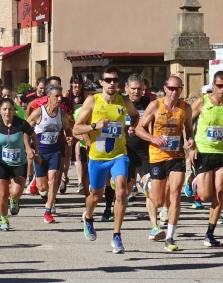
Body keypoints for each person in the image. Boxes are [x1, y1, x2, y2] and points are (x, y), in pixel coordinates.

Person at [73, 65, 140, 254]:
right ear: (101, 82)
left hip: (119, 154)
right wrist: (95, 125)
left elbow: (135, 116)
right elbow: (76, 129)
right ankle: (88, 217)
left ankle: (116, 236)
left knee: (121, 191)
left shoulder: (124, 101)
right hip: (97, 156)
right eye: (108, 80)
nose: (112, 83)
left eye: (115, 80)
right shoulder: (92, 101)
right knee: (96, 195)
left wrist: (132, 127)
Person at [136, 75, 194, 251]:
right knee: (158, 200)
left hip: (176, 156)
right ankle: (148, 186)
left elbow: (189, 129)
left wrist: (190, 140)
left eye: (178, 89)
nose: (174, 92)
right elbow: (139, 128)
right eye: (171, 88)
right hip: (157, 156)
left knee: (176, 194)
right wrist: (153, 138)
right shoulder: (155, 105)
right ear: (165, 88)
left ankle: (170, 237)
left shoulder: (186, 108)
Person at [190, 70, 223, 247]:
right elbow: (187, 122)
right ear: (213, 85)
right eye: (219, 86)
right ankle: (193, 181)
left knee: (220, 191)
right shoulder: (202, 101)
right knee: (204, 196)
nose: (222, 89)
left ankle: (209, 233)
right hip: (203, 151)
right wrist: (191, 146)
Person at [0, 98, 39, 231]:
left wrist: (35, 152)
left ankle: (14, 200)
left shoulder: (21, 123)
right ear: (0, 111)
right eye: (4, 109)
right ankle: (4, 220)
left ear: (14, 110)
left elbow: (34, 136)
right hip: (1, 163)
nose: (7, 112)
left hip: (19, 163)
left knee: (16, 193)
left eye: (10, 109)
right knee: (2, 194)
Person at [26, 83, 74, 224]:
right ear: (48, 97)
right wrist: (29, 148)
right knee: (43, 187)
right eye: (56, 96)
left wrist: (69, 136)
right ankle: (36, 181)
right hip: (40, 153)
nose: (60, 99)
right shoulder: (38, 113)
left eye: (61, 96)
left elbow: (68, 129)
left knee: (53, 179)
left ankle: (48, 211)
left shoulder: (62, 114)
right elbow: (25, 129)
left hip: (55, 151)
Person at [123, 74, 159, 235]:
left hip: (145, 151)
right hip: (125, 150)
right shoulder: (120, 102)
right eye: (134, 88)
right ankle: (117, 217)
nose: (137, 91)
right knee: (125, 189)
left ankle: (155, 226)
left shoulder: (149, 103)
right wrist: (127, 129)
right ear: (127, 89)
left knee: (150, 186)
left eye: (140, 88)